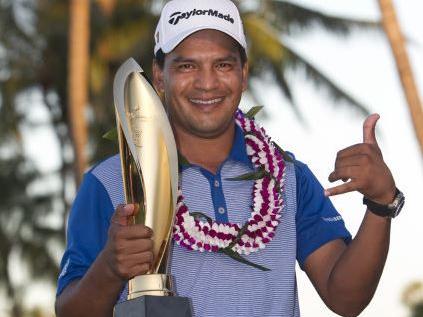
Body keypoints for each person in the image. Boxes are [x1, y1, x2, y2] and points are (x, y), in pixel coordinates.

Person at [55, 0, 405, 316]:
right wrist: (110, 269)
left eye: (223, 64)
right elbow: (70, 311)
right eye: (188, 66)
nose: (207, 83)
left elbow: (346, 298)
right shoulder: (110, 181)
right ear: (159, 76)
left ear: (243, 74)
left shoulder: (288, 177)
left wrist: (380, 204)